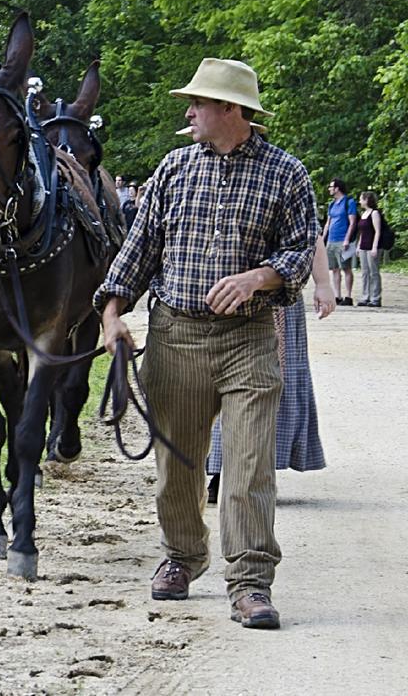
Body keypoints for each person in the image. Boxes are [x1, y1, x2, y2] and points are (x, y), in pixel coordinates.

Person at [96, 58, 317, 631]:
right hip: (177, 335)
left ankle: (249, 583)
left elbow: (299, 250)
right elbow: (139, 250)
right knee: (178, 467)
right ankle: (183, 557)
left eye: (198, 103)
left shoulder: (287, 174)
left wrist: (258, 277)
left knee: (248, 467)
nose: (189, 112)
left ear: (231, 109)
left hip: (248, 338)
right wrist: (113, 313)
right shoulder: (172, 169)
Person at [206, 233, 335, 503]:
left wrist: (323, 284)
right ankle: (220, 470)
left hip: (278, 301)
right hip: (220, 291)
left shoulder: (288, 191)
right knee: (218, 383)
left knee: (268, 385)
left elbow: (312, 236)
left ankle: (254, 474)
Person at [323, 177, 358, 305]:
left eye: (331, 187)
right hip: (331, 240)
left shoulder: (349, 202)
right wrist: (323, 239)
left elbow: (352, 222)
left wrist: (347, 239)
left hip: (343, 240)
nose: (329, 189)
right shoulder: (331, 204)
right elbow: (328, 223)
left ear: (337, 188)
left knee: (346, 268)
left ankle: (348, 296)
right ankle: (337, 296)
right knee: (334, 269)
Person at [356, 190, 385, 307]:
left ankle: (375, 298)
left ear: (367, 200)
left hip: (372, 247)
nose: (359, 201)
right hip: (363, 246)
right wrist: (358, 246)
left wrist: (374, 247)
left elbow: (377, 231)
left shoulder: (374, 213)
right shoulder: (363, 214)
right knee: (365, 273)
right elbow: (362, 232)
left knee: (374, 272)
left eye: (361, 199)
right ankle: (365, 296)